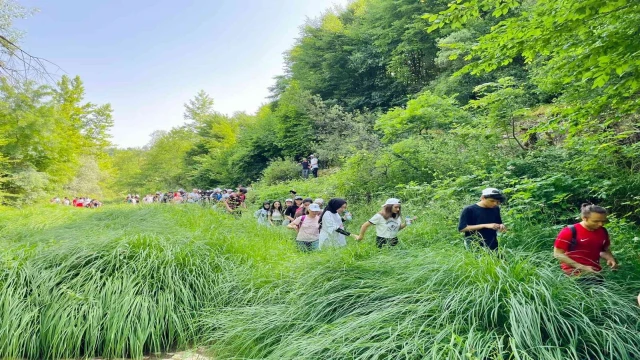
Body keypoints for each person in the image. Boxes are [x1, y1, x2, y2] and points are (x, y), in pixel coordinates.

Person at [553, 204, 617, 278]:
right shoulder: (569, 231)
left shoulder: (603, 231)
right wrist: (582, 267)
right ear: (584, 218)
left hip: (594, 272)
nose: (600, 224)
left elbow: (603, 250)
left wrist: (610, 258)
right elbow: (558, 254)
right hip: (572, 274)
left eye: (603, 221)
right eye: (596, 221)